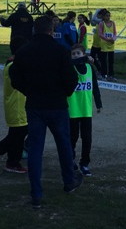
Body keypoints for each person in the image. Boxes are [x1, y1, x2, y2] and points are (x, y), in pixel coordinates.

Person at [8, 15, 82, 209]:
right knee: (64, 145)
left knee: (35, 149)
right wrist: (64, 93)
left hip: (35, 105)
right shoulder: (61, 51)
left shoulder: (24, 51)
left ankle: (36, 193)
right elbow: (71, 79)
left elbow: (14, 77)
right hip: (57, 104)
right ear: (52, 30)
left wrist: (28, 91)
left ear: (35, 29)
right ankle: (69, 181)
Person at [0, 35, 29, 174]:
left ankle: (3, 152)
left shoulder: (13, 64)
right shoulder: (14, 66)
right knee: (18, 133)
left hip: (19, 103)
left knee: (19, 132)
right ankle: (9, 157)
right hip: (17, 104)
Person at [68, 43, 102, 176]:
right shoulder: (70, 68)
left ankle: (85, 163)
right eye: (73, 54)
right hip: (73, 110)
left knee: (87, 138)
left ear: (84, 54)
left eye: (78, 53)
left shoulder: (89, 68)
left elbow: (95, 87)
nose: (76, 56)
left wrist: (98, 103)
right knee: (73, 137)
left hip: (86, 110)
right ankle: (70, 159)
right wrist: (82, 59)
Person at [95, 9, 118, 81]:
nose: (108, 17)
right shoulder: (101, 23)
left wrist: (113, 39)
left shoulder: (113, 23)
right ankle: (103, 75)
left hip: (111, 44)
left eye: (109, 16)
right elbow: (100, 34)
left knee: (111, 61)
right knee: (104, 61)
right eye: (106, 16)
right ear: (103, 17)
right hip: (104, 44)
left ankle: (111, 75)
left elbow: (115, 33)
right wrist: (107, 39)